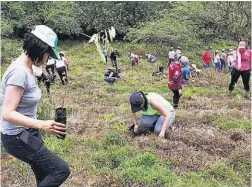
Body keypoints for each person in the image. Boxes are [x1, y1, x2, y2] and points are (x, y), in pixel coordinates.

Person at [1, 25, 70, 187]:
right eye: (48, 54)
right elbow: (7, 113)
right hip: (17, 136)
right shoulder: (19, 73)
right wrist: (42, 124)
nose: (47, 59)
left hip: (28, 132)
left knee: (43, 173)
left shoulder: (28, 68)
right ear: (40, 48)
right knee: (60, 170)